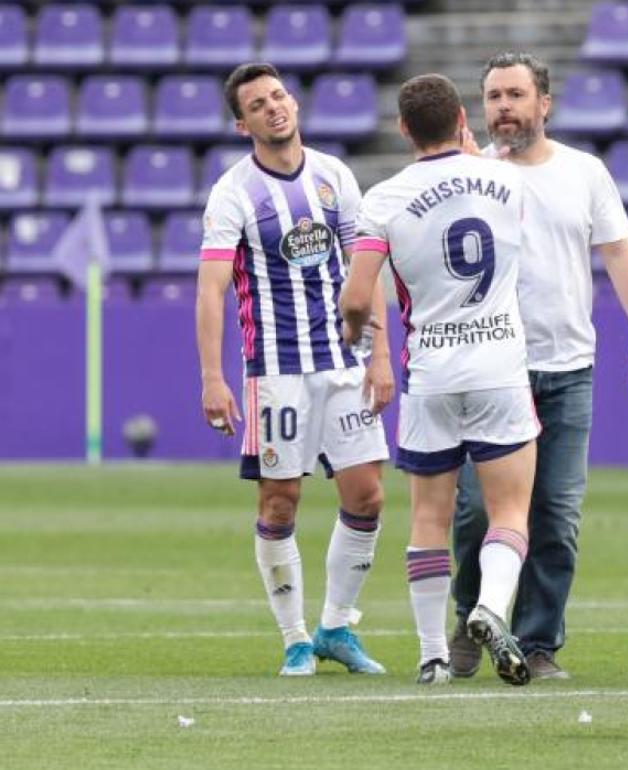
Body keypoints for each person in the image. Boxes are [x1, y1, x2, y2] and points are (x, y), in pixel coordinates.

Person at [447, 51, 628, 681]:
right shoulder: (472, 173)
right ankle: (469, 619)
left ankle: (539, 644)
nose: (504, 108)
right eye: (493, 97)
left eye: (515, 95)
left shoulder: (583, 172)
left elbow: (621, 256)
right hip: (493, 368)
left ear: (545, 102)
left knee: (558, 516)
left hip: (568, 366)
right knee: (473, 511)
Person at [340, 73, 538, 687]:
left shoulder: (384, 199)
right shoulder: (511, 180)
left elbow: (356, 294)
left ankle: (431, 657)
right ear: (462, 117)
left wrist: (357, 334)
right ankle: (489, 606)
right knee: (509, 513)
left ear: (403, 130)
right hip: (500, 369)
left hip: (431, 373)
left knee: (429, 516)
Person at [196, 63, 393, 676]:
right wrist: (212, 376)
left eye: (278, 95)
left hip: (344, 363)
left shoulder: (335, 175)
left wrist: (382, 355)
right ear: (242, 123)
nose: (274, 108)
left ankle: (336, 626)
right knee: (280, 502)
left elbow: (365, 268)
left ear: (294, 103)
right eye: (258, 104)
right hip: (275, 371)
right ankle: (295, 638)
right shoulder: (234, 192)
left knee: (368, 495)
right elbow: (212, 288)